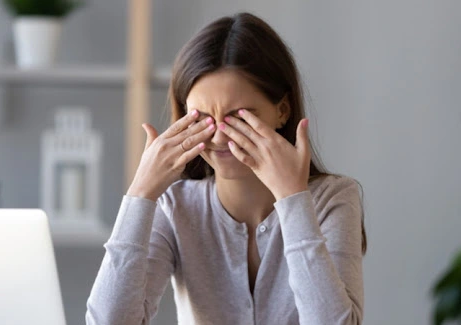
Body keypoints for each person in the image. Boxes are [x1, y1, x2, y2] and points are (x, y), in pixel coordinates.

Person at [86, 12, 367, 325]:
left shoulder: (334, 199)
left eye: (238, 117)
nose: (219, 136)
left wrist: (292, 197)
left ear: (282, 110)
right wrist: (140, 194)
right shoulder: (175, 206)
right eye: (202, 118)